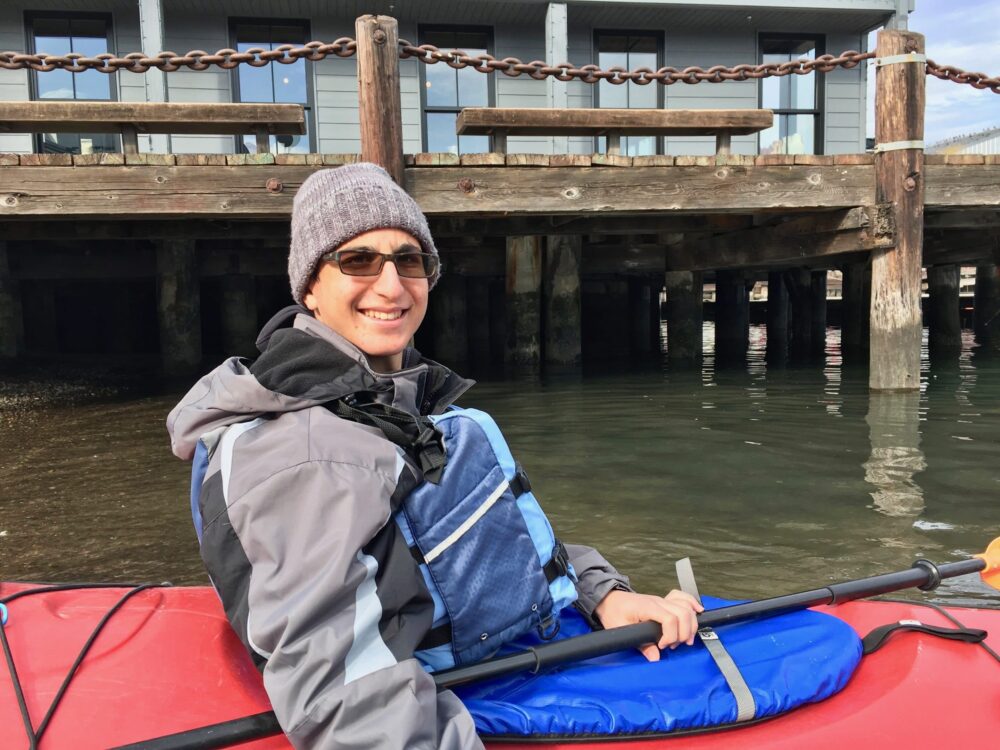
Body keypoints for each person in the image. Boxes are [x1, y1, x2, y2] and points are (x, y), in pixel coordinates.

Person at [167, 163, 702, 749]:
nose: (392, 285)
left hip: (518, 648)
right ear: (310, 288)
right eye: (358, 261)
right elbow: (342, 700)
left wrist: (603, 592)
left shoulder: (385, 401)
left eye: (409, 260)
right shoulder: (304, 452)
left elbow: (482, 542)